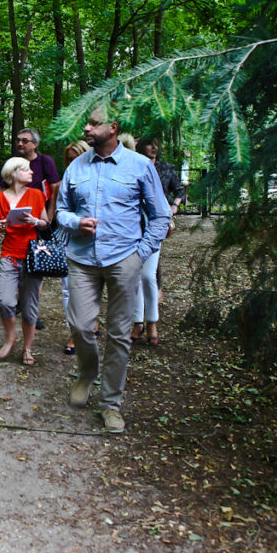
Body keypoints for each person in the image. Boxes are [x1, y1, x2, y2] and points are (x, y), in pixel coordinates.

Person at [56, 108, 170, 433]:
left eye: (94, 124)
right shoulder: (76, 166)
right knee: (79, 326)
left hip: (124, 259)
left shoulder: (141, 166)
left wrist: (141, 254)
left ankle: (110, 403)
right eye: (87, 123)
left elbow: (160, 215)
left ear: (114, 128)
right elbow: (61, 211)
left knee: (119, 335)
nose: (87, 128)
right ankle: (87, 374)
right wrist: (75, 222)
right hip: (81, 259)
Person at [0, 157, 51, 366]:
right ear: (14, 173)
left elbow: (45, 223)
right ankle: (10, 339)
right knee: (6, 301)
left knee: (30, 305)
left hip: (33, 256)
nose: (32, 173)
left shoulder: (37, 195)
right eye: (26, 170)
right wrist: (0, 226)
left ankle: (27, 348)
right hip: (9, 255)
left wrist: (35, 221)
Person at [130, 137, 186, 345]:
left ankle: (152, 321)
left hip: (155, 226)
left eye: (156, 144)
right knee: (135, 276)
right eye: (149, 144)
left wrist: (173, 208)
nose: (154, 148)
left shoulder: (164, 168)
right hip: (132, 229)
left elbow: (179, 191)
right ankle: (138, 322)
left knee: (148, 276)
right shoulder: (132, 166)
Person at [4, 127, 60, 330]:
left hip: (39, 222)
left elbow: (56, 188)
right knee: (16, 263)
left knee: (36, 265)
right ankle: (19, 301)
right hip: (16, 224)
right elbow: (3, 190)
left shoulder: (45, 162)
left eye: (25, 140)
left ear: (34, 144)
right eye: (18, 140)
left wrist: (49, 216)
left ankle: (31, 310)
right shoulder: (14, 164)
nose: (20, 144)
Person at [57, 140, 91, 356]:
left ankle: (91, 325)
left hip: (97, 241)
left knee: (90, 291)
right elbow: (59, 211)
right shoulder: (65, 182)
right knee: (68, 289)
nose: (73, 162)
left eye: (77, 157)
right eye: (69, 158)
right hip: (69, 239)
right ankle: (75, 333)